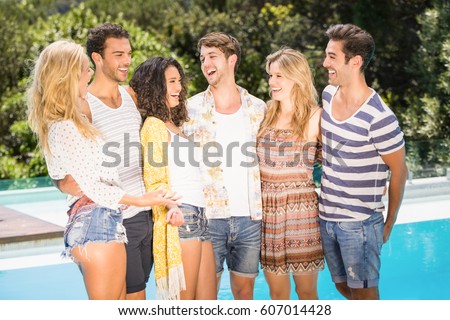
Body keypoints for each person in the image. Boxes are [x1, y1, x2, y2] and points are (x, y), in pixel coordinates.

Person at [26, 40, 180, 300]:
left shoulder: (68, 120)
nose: (88, 75)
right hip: (96, 223)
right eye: (85, 69)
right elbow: (92, 188)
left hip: (104, 222)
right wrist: (142, 199)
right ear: (68, 76)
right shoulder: (64, 125)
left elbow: (70, 174)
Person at [319, 23, 408, 300]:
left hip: (359, 224)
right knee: (342, 287)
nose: (324, 63)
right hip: (326, 218)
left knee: (366, 296)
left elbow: (400, 172)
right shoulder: (328, 95)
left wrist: (389, 223)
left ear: (355, 61)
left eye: (332, 57)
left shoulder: (380, 117)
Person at [182, 32, 266, 299]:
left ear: (231, 60)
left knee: (244, 293)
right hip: (208, 219)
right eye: (203, 58)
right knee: (205, 297)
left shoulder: (259, 108)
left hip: (250, 218)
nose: (206, 63)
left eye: (213, 56)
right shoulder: (189, 109)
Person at [129, 57, 217, 300]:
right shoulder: (154, 126)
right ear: (156, 86)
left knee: (208, 300)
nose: (178, 88)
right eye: (171, 82)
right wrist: (171, 205)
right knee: (183, 303)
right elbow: (154, 178)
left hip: (199, 213)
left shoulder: (174, 123)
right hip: (181, 213)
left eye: (179, 81)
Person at [256, 48, 324, 300]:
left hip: (301, 214)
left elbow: (335, 162)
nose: (272, 82)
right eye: (270, 76)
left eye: (279, 76)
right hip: (268, 213)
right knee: (277, 294)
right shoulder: (265, 112)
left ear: (297, 77)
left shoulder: (316, 117)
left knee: (306, 293)